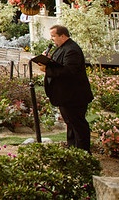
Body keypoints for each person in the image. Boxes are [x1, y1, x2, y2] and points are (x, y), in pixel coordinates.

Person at [36, 24, 93, 152]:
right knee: (71, 124)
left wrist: (47, 69)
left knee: (78, 125)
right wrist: (47, 60)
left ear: (62, 36)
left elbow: (68, 71)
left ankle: (83, 152)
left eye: (53, 36)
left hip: (74, 96)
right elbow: (59, 65)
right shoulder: (62, 48)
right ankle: (73, 151)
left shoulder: (72, 49)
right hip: (66, 96)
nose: (52, 39)